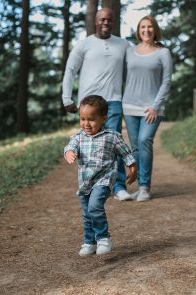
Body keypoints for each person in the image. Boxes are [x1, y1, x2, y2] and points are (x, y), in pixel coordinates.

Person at [62, 8, 132, 200]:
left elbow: (133, 69)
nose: (105, 23)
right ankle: (91, 184)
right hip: (88, 104)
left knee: (114, 144)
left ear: (114, 22)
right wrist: (67, 98)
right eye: (102, 19)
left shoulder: (124, 45)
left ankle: (118, 187)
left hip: (114, 102)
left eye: (109, 20)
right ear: (95, 21)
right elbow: (70, 70)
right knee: (87, 146)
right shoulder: (84, 44)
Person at [64, 95, 137, 256]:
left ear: (103, 118)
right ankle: (89, 242)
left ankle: (103, 238)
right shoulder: (78, 137)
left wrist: (133, 169)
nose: (86, 124)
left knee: (95, 207)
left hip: (103, 180)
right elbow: (70, 147)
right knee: (86, 214)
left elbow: (126, 154)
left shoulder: (111, 136)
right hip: (85, 183)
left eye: (91, 119)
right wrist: (69, 152)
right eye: (82, 119)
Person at [121, 15, 173, 202]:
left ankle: (145, 188)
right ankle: (140, 186)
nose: (146, 30)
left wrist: (155, 106)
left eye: (150, 27)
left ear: (155, 30)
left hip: (152, 108)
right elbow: (125, 76)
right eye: (143, 27)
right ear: (138, 30)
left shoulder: (163, 53)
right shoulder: (130, 51)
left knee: (144, 140)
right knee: (135, 146)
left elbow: (166, 82)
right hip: (129, 106)